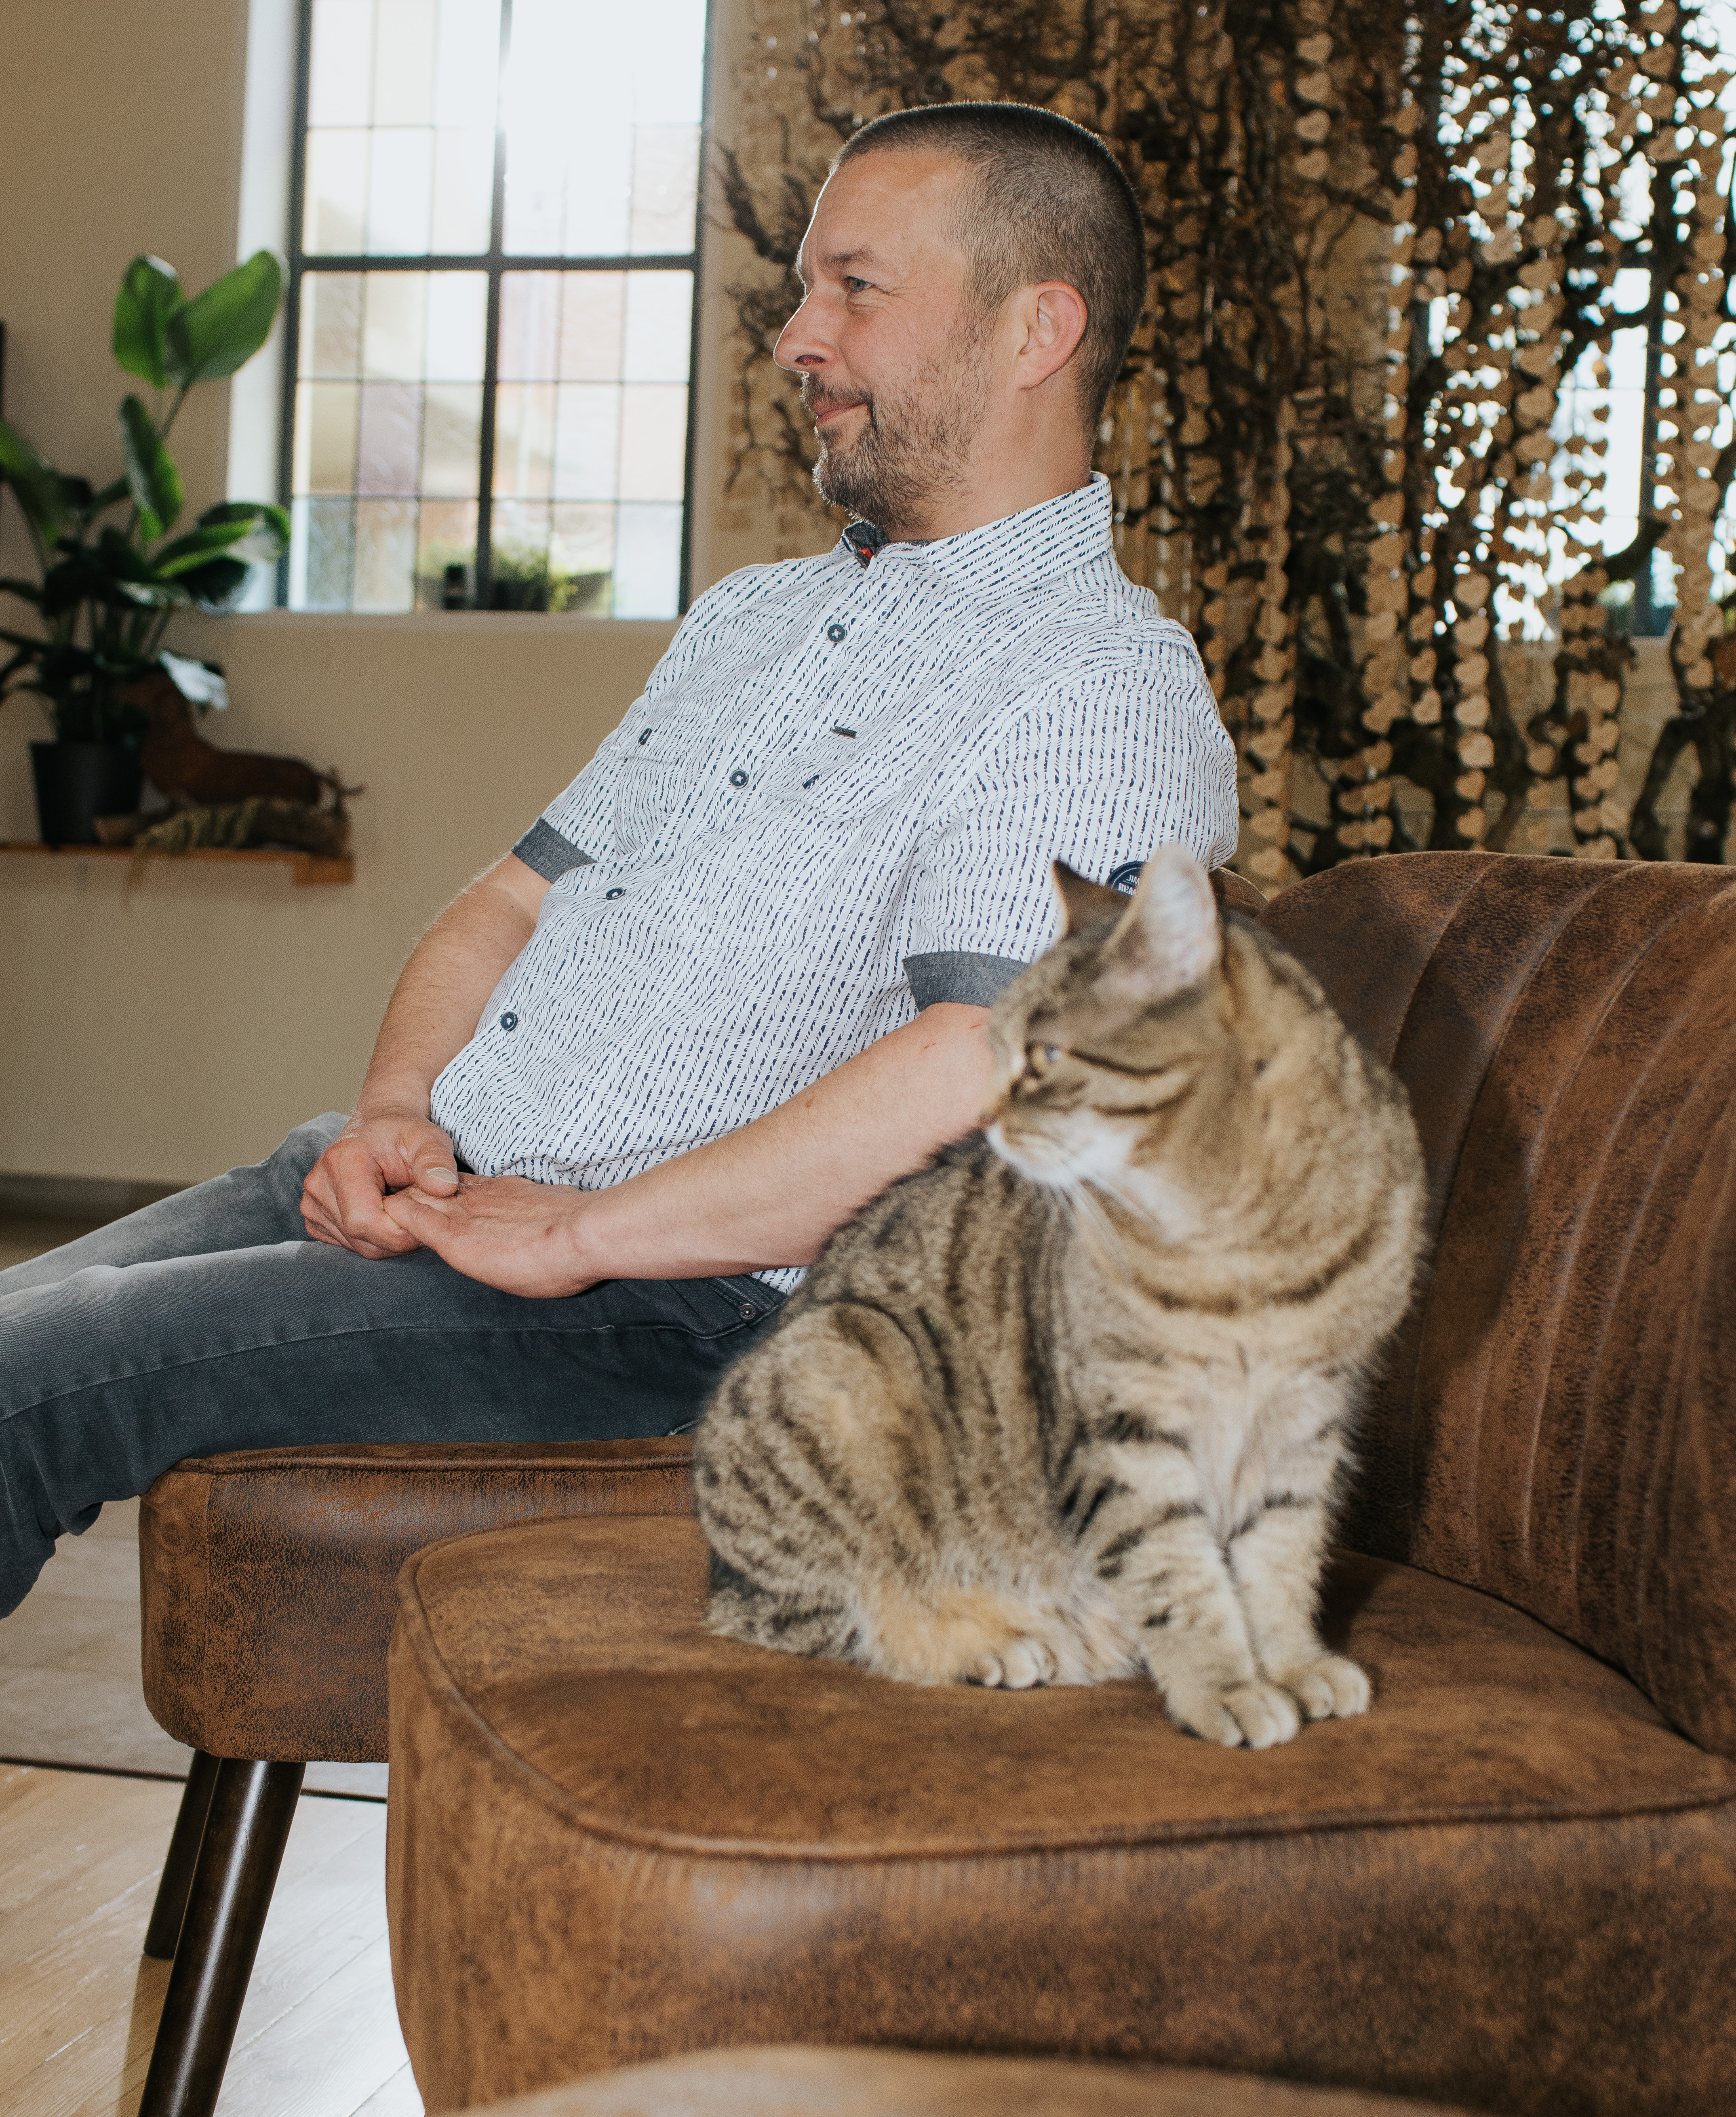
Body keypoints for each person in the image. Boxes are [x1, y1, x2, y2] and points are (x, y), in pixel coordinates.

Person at [0, 101, 1240, 1619]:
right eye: (805, 290)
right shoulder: (753, 619)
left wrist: (582, 1236)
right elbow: (510, 901)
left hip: (675, 1309)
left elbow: (979, 1064)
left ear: (1035, 327)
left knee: (21, 1384)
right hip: (451, 1194)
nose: (796, 335)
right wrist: (396, 1117)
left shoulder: (1096, 682)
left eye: (855, 287)